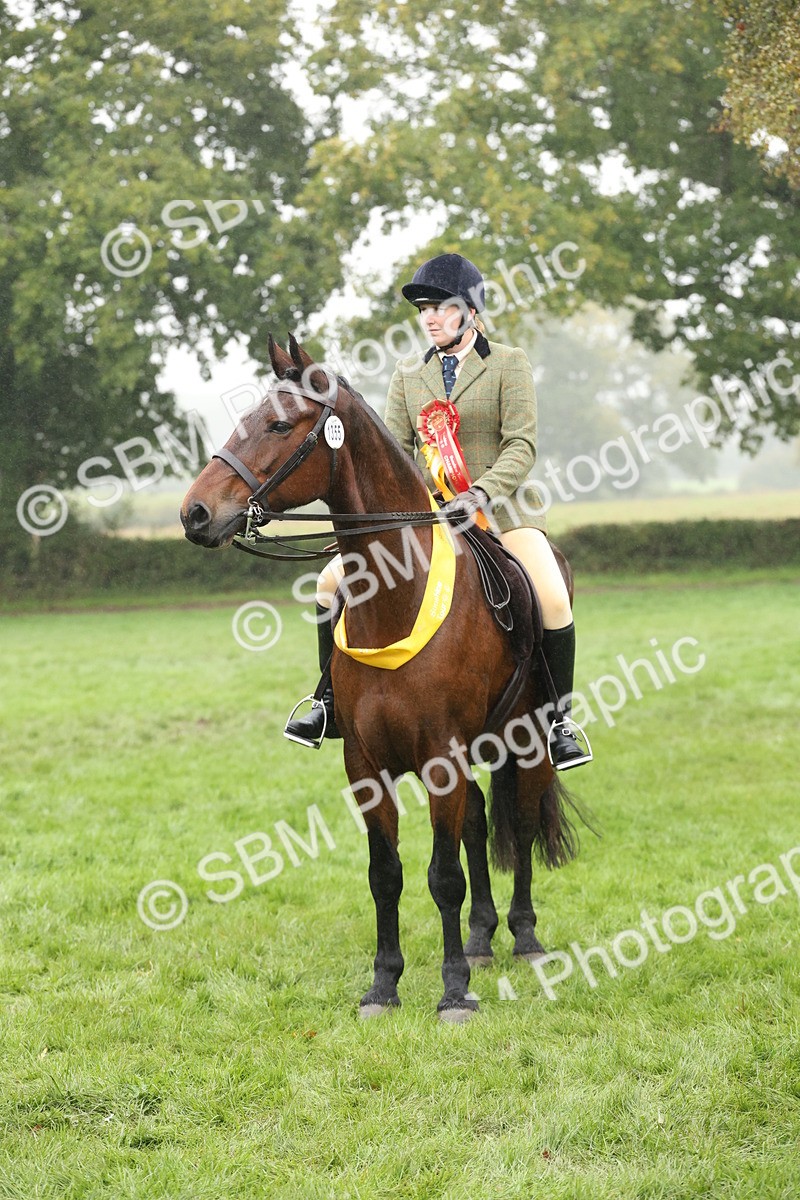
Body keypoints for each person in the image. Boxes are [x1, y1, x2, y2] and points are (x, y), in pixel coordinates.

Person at [284, 252, 592, 771]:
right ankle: (328, 703)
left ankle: (559, 722)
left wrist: (481, 493)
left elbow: (521, 445)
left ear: (470, 311)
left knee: (552, 598)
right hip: (427, 518)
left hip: (500, 512)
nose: (428, 318)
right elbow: (391, 453)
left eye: (440, 307)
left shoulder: (508, 364)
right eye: (423, 309)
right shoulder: (409, 374)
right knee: (329, 584)